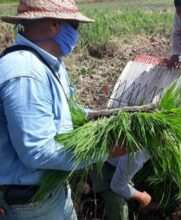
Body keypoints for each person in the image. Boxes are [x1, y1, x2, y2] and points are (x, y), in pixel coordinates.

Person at [0, 0, 127, 219]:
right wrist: (106, 150)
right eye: (75, 26)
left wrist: (101, 117)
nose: (76, 35)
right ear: (54, 26)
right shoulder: (25, 73)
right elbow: (37, 152)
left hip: (51, 191)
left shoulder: (50, 63)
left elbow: (67, 108)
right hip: (31, 203)